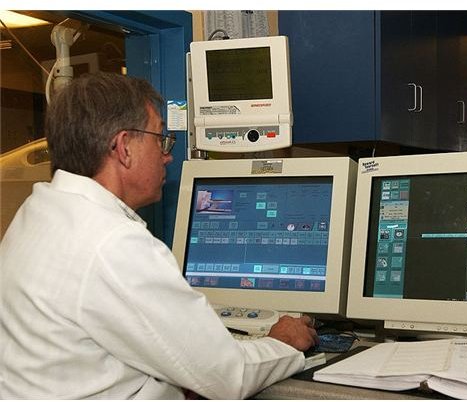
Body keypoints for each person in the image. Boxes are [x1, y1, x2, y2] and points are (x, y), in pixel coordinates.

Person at [0, 72, 318, 399]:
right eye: (160, 140)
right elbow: (227, 375)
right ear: (124, 148)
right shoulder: (113, 242)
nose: (167, 155)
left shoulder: (37, 212)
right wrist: (283, 342)